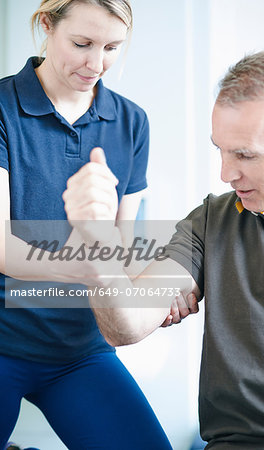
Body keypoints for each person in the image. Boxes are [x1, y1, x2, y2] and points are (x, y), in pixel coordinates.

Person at [63, 50, 264, 449]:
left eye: (244, 155)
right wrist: (96, 244)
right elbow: (128, 322)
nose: (225, 174)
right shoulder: (214, 219)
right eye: (220, 150)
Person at [0, 0, 174, 448]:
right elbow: (3, 246)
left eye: (113, 47)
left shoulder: (132, 122)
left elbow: (124, 248)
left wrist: (153, 295)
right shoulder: (2, 107)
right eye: (82, 44)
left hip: (80, 350)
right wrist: (96, 266)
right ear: (46, 26)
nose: (97, 64)